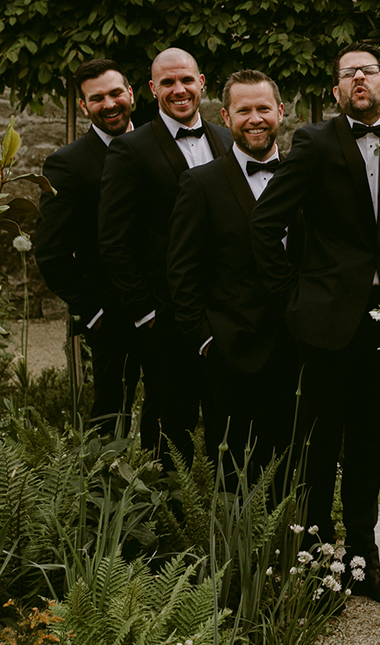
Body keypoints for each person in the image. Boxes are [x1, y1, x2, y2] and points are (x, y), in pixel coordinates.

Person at [248, 43, 380, 606]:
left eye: (368, 71)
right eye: (347, 73)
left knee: (371, 441)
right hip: (323, 321)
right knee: (320, 442)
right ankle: (316, 562)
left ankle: (363, 561)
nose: (358, 79)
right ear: (335, 90)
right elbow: (265, 222)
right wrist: (292, 298)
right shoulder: (313, 141)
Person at [98, 48, 231, 458]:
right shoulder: (130, 150)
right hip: (166, 318)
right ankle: (168, 517)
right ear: (153, 89)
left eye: (187, 80)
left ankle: (225, 516)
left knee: (227, 419)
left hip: (226, 310)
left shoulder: (227, 140)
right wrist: (145, 312)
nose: (179, 90)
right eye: (168, 82)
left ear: (202, 83)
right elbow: (114, 239)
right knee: (170, 427)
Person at [166, 70, 299, 478]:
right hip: (230, 352)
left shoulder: (303, 177)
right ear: (226, 116)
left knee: (296, 465)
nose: (255, 118)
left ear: (280, 112)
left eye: (263, 108)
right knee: (234, 472)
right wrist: (206, 339)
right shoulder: (200, 184)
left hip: (298, 347)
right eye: (244, 110)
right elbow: (181, 270)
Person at [34, 58, 140, 426]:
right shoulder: (68, 164)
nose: (109, 104)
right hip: (111, 314)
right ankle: (104, 481)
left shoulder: (159, 145)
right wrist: (92, 312)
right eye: (97, 99)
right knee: (112, 410)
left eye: (115, 93)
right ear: (83, 107)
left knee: (172, 406)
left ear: (131, 94)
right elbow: (50, 249)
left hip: (168, 305)